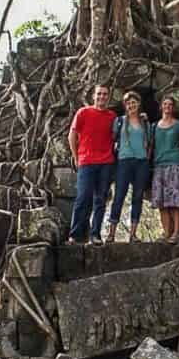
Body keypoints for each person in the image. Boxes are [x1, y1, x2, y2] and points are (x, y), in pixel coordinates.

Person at [68, 84, 116, 245]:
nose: (102, 97)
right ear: (93, 96)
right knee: (82, 198)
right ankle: (75, 235)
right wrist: (76, 158)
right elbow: (72, 136)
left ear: (108, 97)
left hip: (106, 162)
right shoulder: (83, 112)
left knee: (100, 200)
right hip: (86, 162)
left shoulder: (112, 116)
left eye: (105, 94)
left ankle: (95, 235)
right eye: (99, 94)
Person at [107, 91, 151, 243]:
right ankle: (111, 234)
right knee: (119, 196)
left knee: (137, 197)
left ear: (138, 104)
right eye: (128, 103)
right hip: (124, 161)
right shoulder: (120, 121)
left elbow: (149, 142)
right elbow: (112, 140)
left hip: (141, 162)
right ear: (125, 106)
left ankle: (133, 234)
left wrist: (146, 157)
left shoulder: (145, 122)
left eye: (134, 102)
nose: (131, 105)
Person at [150, 94, 179, 243]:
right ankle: (166, 233)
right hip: (159, 165)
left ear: (173, 108)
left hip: (175, 163)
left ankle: (176, 233)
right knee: (161, 202)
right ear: (161, 107)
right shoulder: (154, 126)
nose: (167, 107)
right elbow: (151, 146)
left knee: (174, 201)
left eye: (170, 105)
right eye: (165, 104)